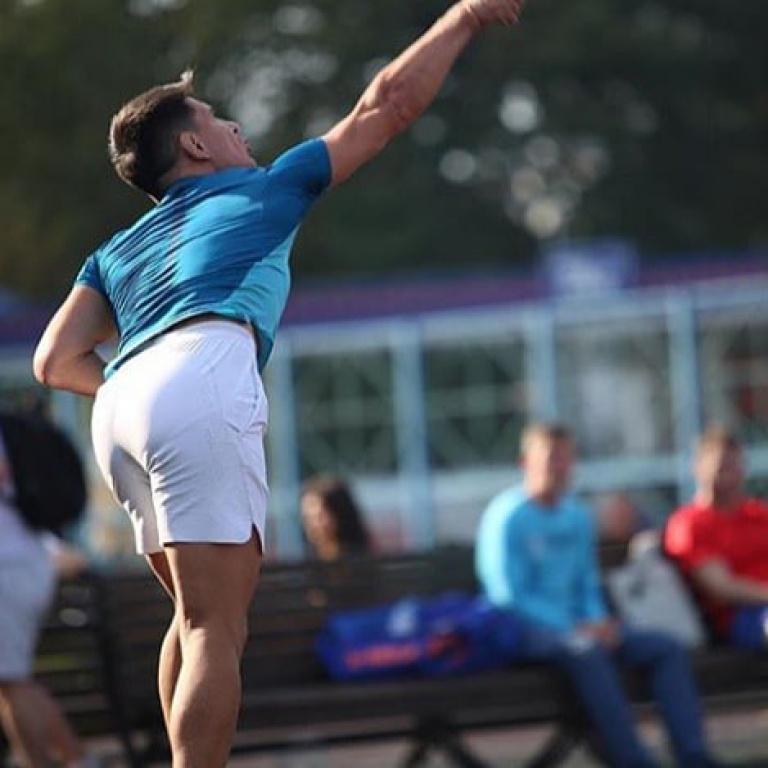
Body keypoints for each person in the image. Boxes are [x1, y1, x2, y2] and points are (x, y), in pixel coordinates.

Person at [32, 2, 527, 765]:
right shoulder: (265, 188)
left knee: (192, 617)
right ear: (195, 145)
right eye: (221, 120)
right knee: (215, 627)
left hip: (123, 400)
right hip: (197, 373)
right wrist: (460, 17)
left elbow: (54, 361)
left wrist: (142, 396)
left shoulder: (116, 249)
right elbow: (387, 106)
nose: (239, 129)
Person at [475, 422, 719, 768]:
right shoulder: (507, 517)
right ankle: (633, 760)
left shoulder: (576, 516)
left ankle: (694, 756)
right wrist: (574, 627)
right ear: (525, 462)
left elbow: (586, 582)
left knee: (666, 648)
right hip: (526, 629)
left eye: (567, 458)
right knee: (587, 650)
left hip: (584, 626)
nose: (560, 467)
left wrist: (598, 619)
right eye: (551, 458)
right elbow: (508, 595)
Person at [0, 424, 97, 768]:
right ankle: (76, 760)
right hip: (22, 564)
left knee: (12, 681)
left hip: (9, 569)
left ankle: (73, 760)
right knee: (12, 681)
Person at [664, 426, 768, 649]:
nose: (730, 473)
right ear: (698, 467)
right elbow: (721, 588)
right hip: (742, 617)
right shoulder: (690, 522)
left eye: (735, 465)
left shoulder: (758, 514)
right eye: (722, 466)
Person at [300, 474, 373, 561]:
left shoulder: (364, 561)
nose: (313, 524)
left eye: (320, 516)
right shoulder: (304, 563)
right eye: (307, 518)